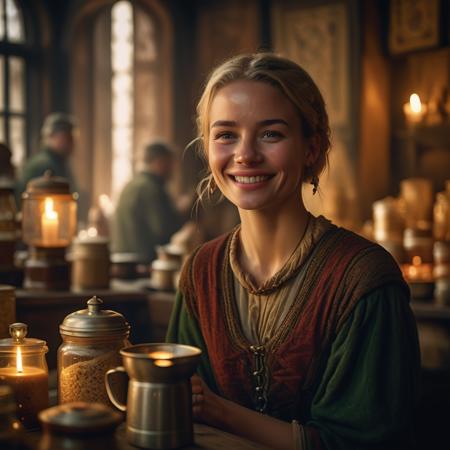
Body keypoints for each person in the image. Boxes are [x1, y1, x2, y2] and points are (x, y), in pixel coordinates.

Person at [166, 53, 420, 450]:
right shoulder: (201, 271)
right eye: (226, 135)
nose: (245, 154)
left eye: (271, 134)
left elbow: (364, 443)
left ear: (312, 149)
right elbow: (180, 418)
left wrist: (219, 410)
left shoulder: (364, 280)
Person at [112, 141, 184, 263]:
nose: (173, 169)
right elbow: (164, 231)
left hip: (122, 263)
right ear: (159, 162)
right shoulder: (152, 189)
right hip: (145, 265)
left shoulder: (130, 185)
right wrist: (182, 214)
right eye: (170, 163)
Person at [16, 112, 78, 201]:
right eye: (67, 137)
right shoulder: (43, 164)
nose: (71, 142)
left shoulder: (59, 162)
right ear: (51, 136)